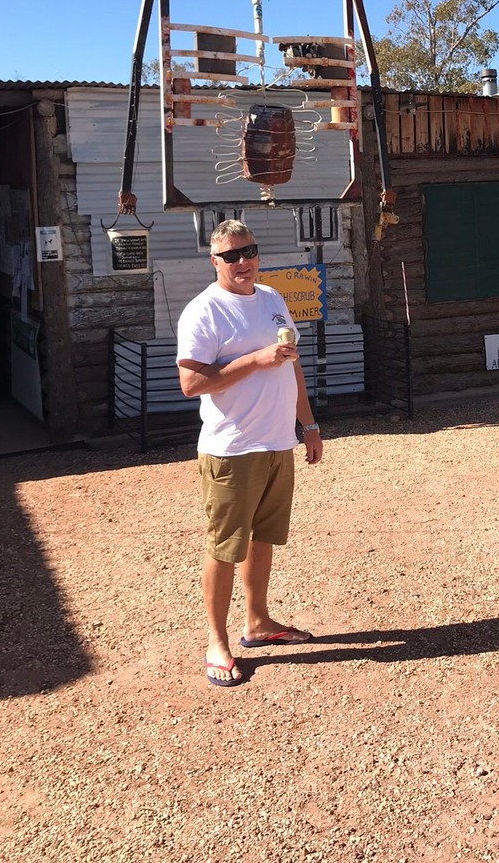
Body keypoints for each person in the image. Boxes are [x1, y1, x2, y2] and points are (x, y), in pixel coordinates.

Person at [176, 219, 323, 686]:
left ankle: (257, 623)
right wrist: (253, 360)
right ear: (214, 261)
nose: (243, 262)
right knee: (224, 547)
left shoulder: (274, 299)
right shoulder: (204, 311)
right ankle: (216, 643)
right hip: (232, 449)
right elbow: (191, 383)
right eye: (231, 255)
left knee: (263, 540)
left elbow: (292, 367)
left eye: (250, 251)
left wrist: (309, 424)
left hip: (279, 442)